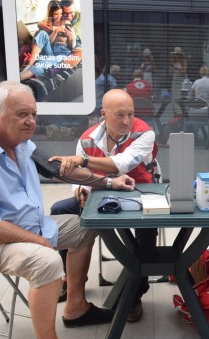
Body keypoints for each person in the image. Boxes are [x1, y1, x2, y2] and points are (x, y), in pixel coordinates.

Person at [0, 81, 136, 339]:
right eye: (22, 114)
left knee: (88, 226)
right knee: (46, 261)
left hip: (30, 228)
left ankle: (75, 308)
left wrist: (111, 183)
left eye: (33, 114)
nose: (31, 121)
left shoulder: (18, 143)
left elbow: (59, 169)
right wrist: (39, 242)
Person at [49, 89, 158, 322]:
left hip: (138, 190)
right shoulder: (87, 138)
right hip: (100, 191)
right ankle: (71, 279)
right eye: (120, 115)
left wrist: (84, 160)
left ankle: (135, 293)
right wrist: (81, 193)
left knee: (148, 229)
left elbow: (122, 164)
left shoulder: (144, 133)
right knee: (60, 210)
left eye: (131, 114)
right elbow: (78, 176)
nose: (127, 121)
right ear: (103, 114)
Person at [20, 0, 81, 81]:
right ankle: (30, 64)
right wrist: (55, 31)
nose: (59, 16)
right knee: (42, 33)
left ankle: (21, 77)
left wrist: (73, 39)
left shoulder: (67, 23)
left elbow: (71, 47)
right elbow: (49, 41)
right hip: (51, 51)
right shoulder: (49, 22)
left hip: (62, 53)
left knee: (44, 62)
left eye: (60, 14)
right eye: (56, 14)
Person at [170, 47, 188, 117]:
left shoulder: (183, 61)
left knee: (181, 96)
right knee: (174, 96)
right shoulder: (174, 61)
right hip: (175, 80)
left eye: (178, 54)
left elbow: (185, 72)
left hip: (181, 80)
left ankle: (182, 113)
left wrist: (177, 68)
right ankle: (176, 113)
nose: (176, 55)